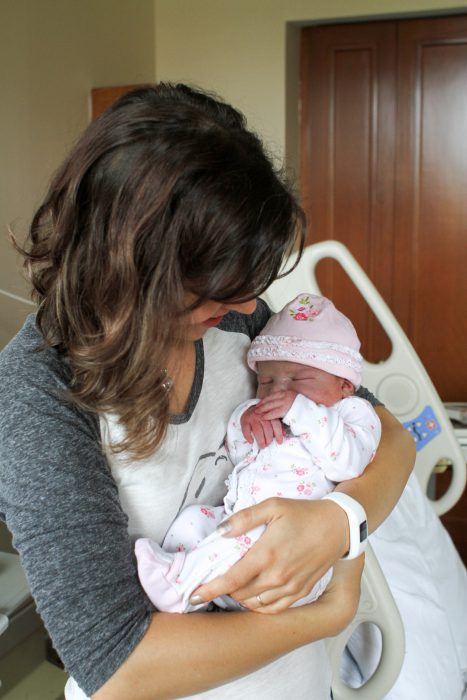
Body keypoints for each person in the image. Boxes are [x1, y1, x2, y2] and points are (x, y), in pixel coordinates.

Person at [0, 83, 415, 700]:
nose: (249, 304)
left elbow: (391, 440)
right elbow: (118, 665)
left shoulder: (240, 323)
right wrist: (325, 614)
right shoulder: (40, 389)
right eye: (219, 286)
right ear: (132, 262)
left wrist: (339, 521)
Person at [135, 293, 381, 614]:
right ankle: (187, 577)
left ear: (345, 384)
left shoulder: (352, 414)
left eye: (298, 379)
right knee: (194, 521)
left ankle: (180, 588)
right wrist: (246, 421)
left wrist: (301, 411)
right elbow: (238, 456)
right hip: (238, 520)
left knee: (239, 538)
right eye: (266, 380)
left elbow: (347, 463)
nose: (280, 391)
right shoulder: (267, 408)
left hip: (293, 552)